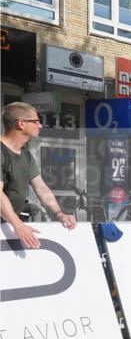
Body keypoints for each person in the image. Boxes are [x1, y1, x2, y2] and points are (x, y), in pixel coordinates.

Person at [1, 102, 76, 248]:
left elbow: (41, 188)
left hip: (7, 225)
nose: (40, 126)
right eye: (35, 121)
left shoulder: (26, 155)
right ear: (21, 123)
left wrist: (60, 214)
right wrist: (18, 225)